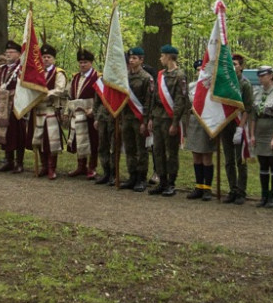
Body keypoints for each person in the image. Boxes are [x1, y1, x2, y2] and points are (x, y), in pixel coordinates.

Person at [109, 47, 154, 191]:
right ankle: (132, 176)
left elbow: (148, 102)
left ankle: (141, 178)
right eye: (130, 58)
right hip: (126, 118)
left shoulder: (147, 78)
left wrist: (145, 121)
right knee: (129, 149)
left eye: (135, 58)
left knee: (141, 150)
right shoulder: (125, 78)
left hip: (139, 118)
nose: (131, 60)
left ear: (141, 60)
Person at [216, 54, 256, 204]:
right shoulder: (226, 83)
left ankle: (241, 191)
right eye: (231, 64)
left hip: (239, 123)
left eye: (236, 64)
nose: (233, 66)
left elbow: (248, 107)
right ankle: (232, 189)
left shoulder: (245, 84)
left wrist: (240, 128)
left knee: (241, 160)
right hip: (226, 124)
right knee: (229, 159)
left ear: (241, 67)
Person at [147, 45, 185, 196]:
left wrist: (175, 122)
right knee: (158, 151)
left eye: (162, 55)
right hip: (157, 117)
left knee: (171, 153)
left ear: (169, 57)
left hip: (169, 119)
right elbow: (154, 97)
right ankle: (162, 181)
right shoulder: (161, 75)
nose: (160, 58)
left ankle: (171, 183)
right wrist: (150, 117)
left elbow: (180, 100)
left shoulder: (179, 75)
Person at [30, 45, 71, 180]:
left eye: (49, 57)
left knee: (51, 141)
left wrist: (45, 94)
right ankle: (43, 166)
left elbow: (60, 89)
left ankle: (52, 168)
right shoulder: (37, 72)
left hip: (51, 109)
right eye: (44, 57)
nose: (46, 59)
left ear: (53, 59)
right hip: (38, 110)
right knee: (39, 139)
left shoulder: (59, 73)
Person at [249, 65, 273, 208]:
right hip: (259, 132)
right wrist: (252, 134)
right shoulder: (257, 94)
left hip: (272, 129)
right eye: (259, 76)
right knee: (263, 165)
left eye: (263, 75)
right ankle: (264, 195)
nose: (261, 78)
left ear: (271, 76)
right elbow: (253, 116)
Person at [182, 57, 217, 199]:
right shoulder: (191, 86)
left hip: (207, 121)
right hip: (193, 120)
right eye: (197, 70)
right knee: (196, 155)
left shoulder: (212, 87)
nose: (199, 72)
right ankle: (198, 186)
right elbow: (186, 105)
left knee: (206, 156)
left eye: (201, 69)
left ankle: (207, 188)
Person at [0, 41, 28, 173]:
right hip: (3, 105)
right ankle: (9, 160)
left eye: (11, 52)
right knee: (5, 134)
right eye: (6, 52)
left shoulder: (22, 69)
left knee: (18, 134)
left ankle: (19, 163)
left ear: (19, 54)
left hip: (16, 105)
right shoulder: (3, 69)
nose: (8, 54)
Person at [67, 49, 101, 180]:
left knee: (93, 140)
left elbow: (101, 97)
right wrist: (67, 111)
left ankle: (92, 167)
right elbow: (70, 95)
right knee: (78, 139)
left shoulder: (98, 77)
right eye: (80, 62)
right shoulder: (75, 77)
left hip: (91, 113)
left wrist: (93, 110)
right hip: (77, 113)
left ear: (91, 63)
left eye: (85, 62)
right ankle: (81, 166)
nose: (82, 65)